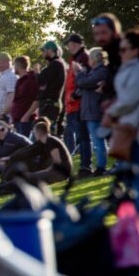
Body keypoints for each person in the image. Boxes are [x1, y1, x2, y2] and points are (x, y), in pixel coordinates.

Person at [103, 26, 139, 230]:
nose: (121, 52)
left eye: (124, 49)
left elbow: (129, 100)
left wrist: (111, 112)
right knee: (136, 180)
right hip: (135, 129)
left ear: (136, 50)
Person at [0, 118, 73, 194]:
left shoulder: (51, 141)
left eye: (34, 132)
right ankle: (0, 188)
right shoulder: (43, 142)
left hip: (61, 173)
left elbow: (57, 163)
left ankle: (2, 190)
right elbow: (28, 150)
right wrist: (10, 157)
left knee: (27, 179)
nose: (34, 134)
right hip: (56, 172)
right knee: (26, 177)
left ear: (39, 132)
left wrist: (43, 172)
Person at [75, 48, 110, 176]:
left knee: (98, 141)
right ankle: (101, 166)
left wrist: (79, 73)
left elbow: (84, 83)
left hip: (94, 111)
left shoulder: (100, 71)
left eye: (90, 58)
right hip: (90, 111)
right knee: (98, 141)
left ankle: (101, 167)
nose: (88, 60)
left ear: (95, 59)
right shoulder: (94, 72)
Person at [62, 34, 93, 176]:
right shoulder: (76, 58)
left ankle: (85, 167)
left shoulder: (84, 58)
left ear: (74, 44)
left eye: (69, 44)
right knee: (82, 137)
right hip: (72, 105)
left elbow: (86, 78)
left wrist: (75, 95)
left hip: (79, 104)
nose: (68, 47)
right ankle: (84, 166)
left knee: (83, 137)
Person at [31, 41, 67, 134]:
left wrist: (36, 72)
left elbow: (41, 79)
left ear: (50, 51)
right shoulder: (55, 64)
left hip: (50, 105)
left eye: (43, 50)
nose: (42, 53)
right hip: (50, 104)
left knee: (48, 134)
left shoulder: (56, 64)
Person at [91, 13, 123, 100]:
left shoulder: (126, 51)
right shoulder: (111, 54)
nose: (100, 37)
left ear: (115, 32)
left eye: (104, 32)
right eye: (96, 34)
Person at [12, 56, 39, 137]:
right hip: (17, 119)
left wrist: (27, 115)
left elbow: (36, 99)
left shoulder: (31, 79)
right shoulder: (19, 81)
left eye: (14, 65)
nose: (14, 68)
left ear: (18, 66)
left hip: (25, 120)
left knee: (25, 146)